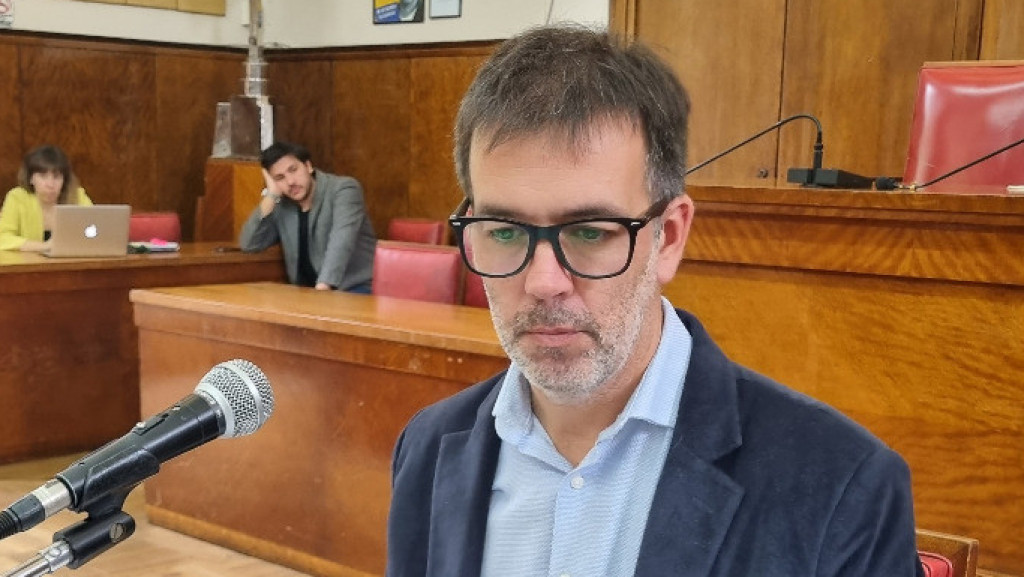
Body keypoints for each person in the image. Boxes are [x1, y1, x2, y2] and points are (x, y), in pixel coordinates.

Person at [387, 25, 924, 577]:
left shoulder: (841, 486)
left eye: (591, 232)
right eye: (503, 231)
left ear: (668, 237)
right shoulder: (427, 449)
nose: (544, 281)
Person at [239, 141, 376, 292]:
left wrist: (322, 289)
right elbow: (250, 244)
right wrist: (271, 196)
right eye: (280, 178)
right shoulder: (282, 204)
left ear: (308, 166)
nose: (290, 182)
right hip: (305, 293)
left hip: (353, 288)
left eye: (293, 170)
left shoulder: (343, 190)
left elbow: (341, 242)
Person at [0, 145, 93, 252]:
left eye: (56, 177)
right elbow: (3, 238)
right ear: (31, 178)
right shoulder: (17, 197)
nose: (50, 184)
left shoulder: (77, 196)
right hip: (28, 262)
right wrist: (44, 246)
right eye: (43, 176)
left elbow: (97, 230)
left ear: (64, 180)